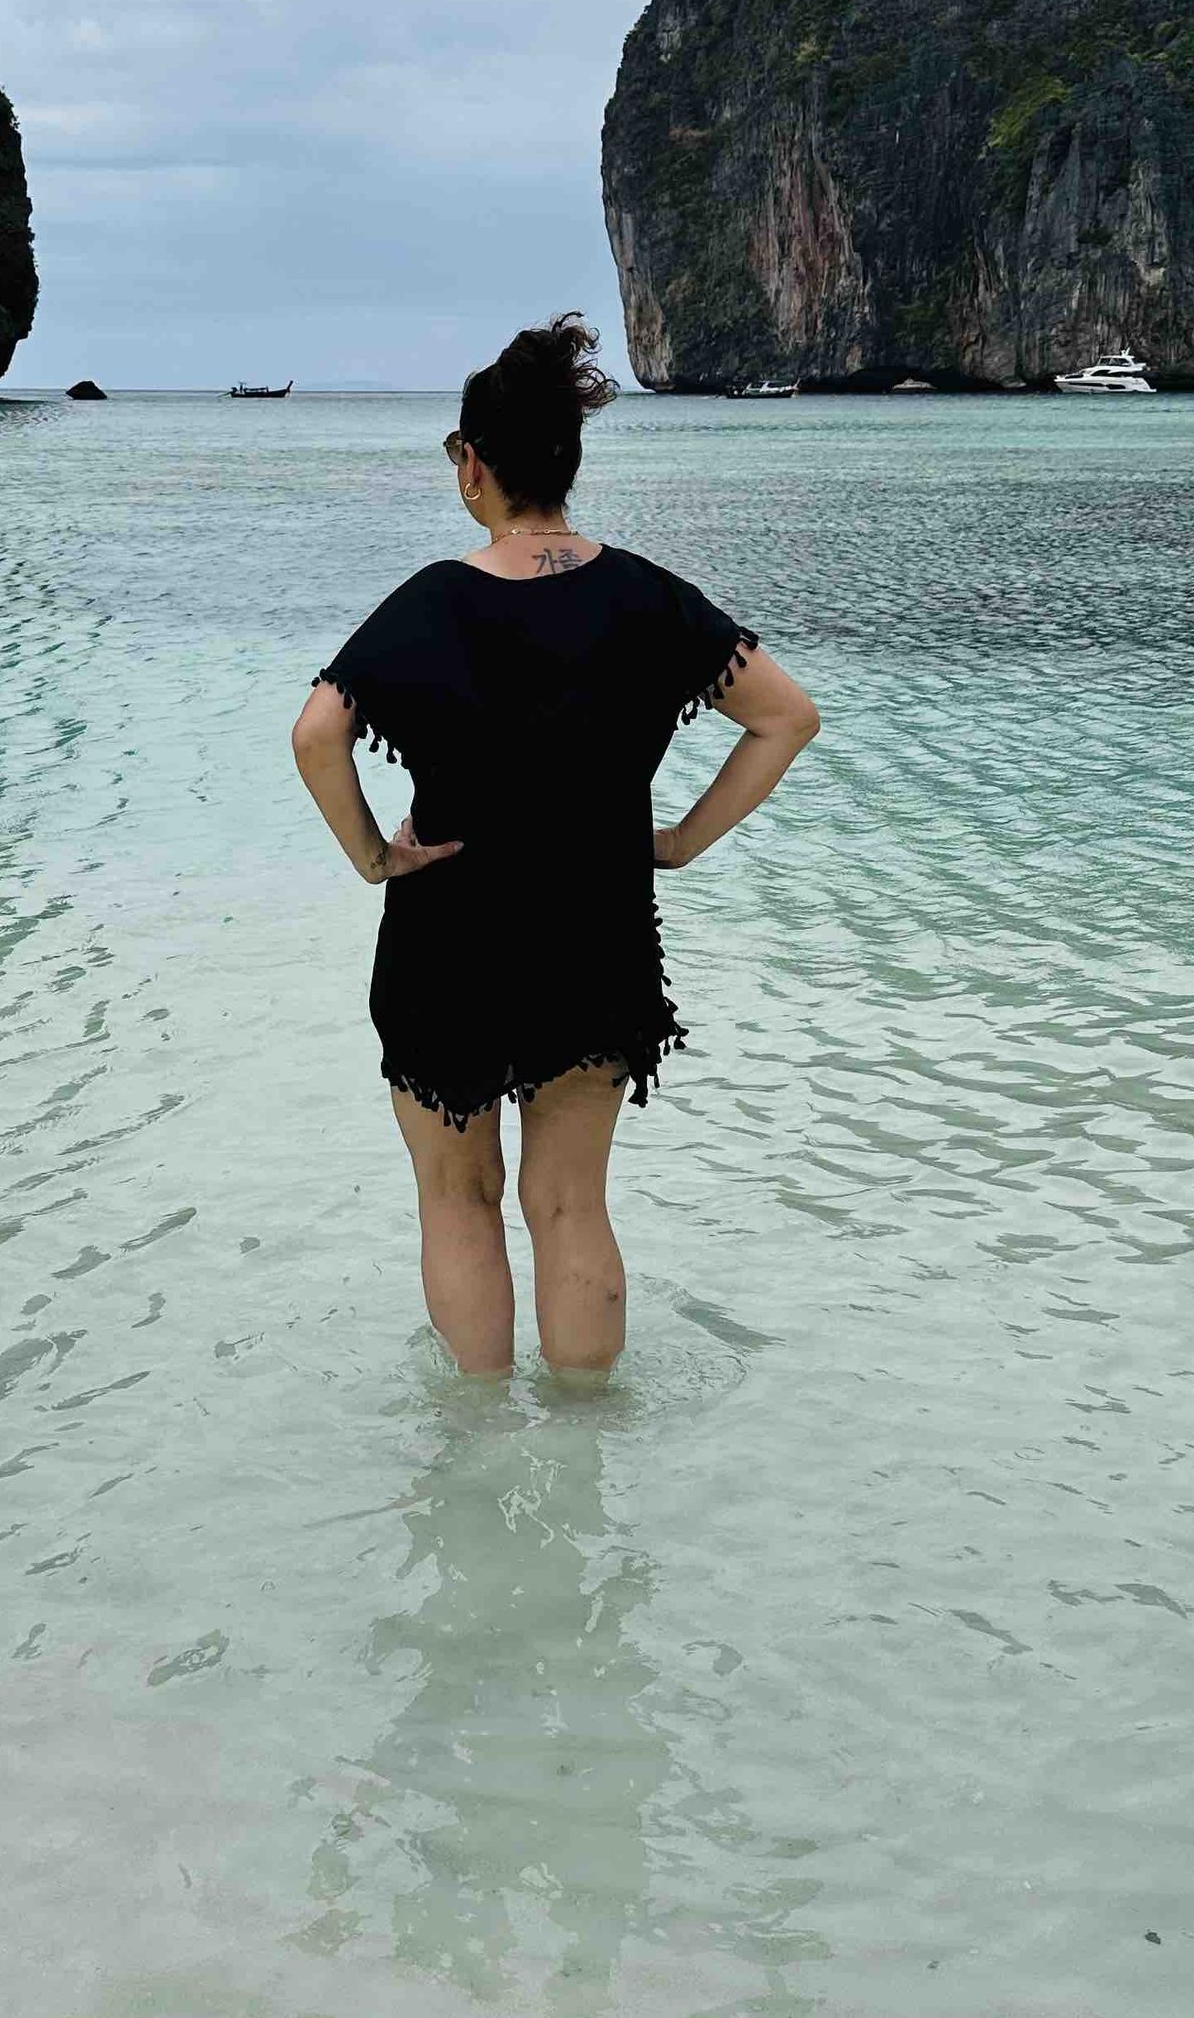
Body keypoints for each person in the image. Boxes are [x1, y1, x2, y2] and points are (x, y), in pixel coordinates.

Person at [291, 315, 820, 1380]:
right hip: (595, 934)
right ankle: (585, 1438)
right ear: (566, 462)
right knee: (570, 1202)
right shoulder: (644, 595)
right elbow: (785, 718)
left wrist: (373, 859)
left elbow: (316, 735)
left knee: (458, 1198)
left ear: (473, 464)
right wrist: (674, 844)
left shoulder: (431, 603)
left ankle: (477, 1450)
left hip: (447, 943)